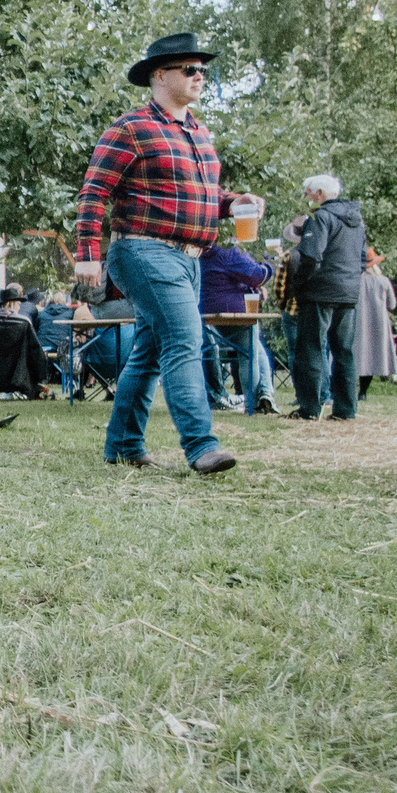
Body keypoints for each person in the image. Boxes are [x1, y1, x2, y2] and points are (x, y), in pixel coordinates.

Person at [71, 31, 257, 474]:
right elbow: (94, 193)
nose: (199, 77)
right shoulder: (131, 128)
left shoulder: (200, 132)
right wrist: (87, 253)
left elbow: (205, 194)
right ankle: (201, 446)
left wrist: (235, 203)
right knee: (184, 339)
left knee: (150, 351)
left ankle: (122, 446)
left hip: (192, 257)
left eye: (203, 71)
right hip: (141, 250)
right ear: (160, 75)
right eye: (190, 69)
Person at [285, 174, 366, 420]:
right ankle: (346, 410)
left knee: (309, 347)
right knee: (344, 351)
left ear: (319, 194)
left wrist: (298, 284)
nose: (307, 198)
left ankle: (309, 409)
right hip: (348, 292)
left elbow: (311, 256)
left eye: (308, 193)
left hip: (319, 291)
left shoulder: (321, 217)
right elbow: (362, 259)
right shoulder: (356, 220)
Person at [197, 224, 271, 411]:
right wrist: (270, 265)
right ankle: (255, 401)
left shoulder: (196, 252)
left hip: (204, 311)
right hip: (233, 311)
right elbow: (256, 275)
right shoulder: (228, 252)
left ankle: (265, 393)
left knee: (256, 348)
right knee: (250, 351)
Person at [354, 248, 397, 397]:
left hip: (359, 321)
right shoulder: (383, 281)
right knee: (373, 356)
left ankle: (348, 389)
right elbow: (392, 305)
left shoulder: (356, 280)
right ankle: (363, 392)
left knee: (358, 355)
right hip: (378, 323)